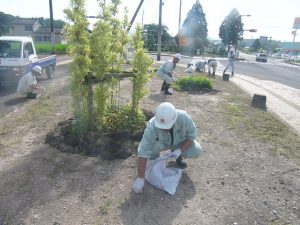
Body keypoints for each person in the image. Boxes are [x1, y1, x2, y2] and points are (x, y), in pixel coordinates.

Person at [133, 102, 203, 193]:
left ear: (174, 119)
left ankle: (178, 158)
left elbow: (191, 136)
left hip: (179, 143)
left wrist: (179, 151)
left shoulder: (184, 117)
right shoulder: (152, 125)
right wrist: (140, 178)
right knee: (149, 151)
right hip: (162, 144)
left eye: (167, 126)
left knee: (196, 150)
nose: (164, 129)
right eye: (162, 127)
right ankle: (154, 162)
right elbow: (143, 151)